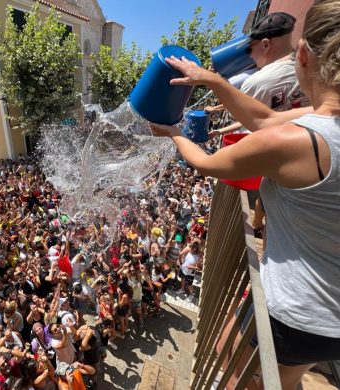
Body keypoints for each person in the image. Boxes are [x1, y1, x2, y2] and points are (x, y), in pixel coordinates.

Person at [150, 1, 340, 387]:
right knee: (289, 376)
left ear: (302, 55)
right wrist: (212, 80)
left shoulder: (298, 139)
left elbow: (205, 164)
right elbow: (265, 118)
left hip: (300, 311)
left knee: (230, 355)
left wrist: (173, 133)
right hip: (331, 321)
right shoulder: (313, 122)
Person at [209, 11, 310, 139]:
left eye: (248, 49)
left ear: (266, 45)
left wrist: (218, 84)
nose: (249, 56)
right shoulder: (312, 68)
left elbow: (242, 116)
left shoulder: (257, 82)